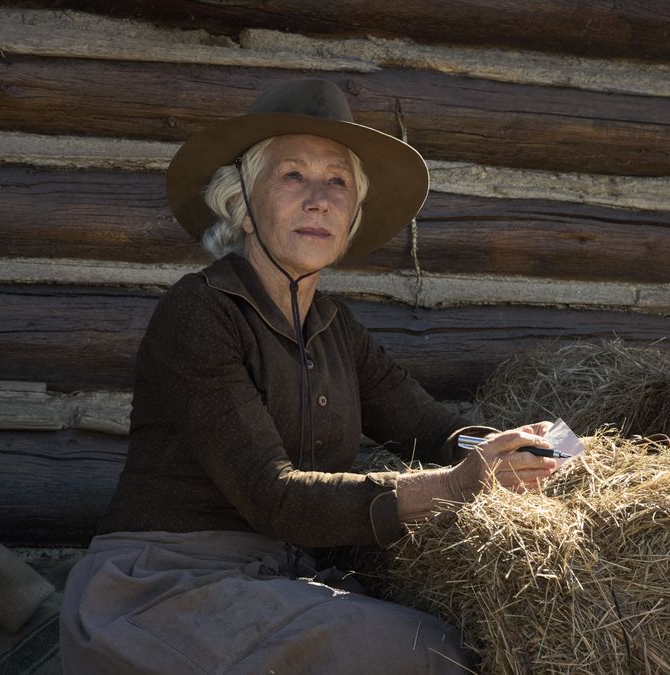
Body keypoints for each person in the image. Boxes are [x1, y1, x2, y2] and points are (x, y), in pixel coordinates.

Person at [59, 79, 557, 674]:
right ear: (243, 202)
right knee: (425, 653)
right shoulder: (199, 313)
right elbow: (274, 496)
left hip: (279, 580)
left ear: (351, 215)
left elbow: (424, 426)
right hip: (168, 586)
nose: (319, 199)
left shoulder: (334, 326)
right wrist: (455, 486)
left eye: (337, 181)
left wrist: (512, 451)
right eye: (293, 175)